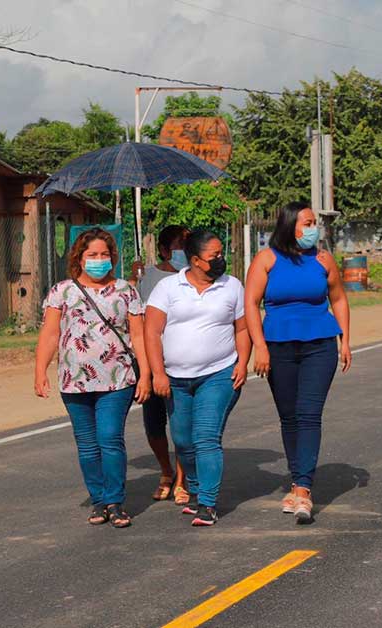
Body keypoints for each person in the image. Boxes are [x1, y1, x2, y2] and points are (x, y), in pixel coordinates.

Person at [34, 228, 151, 529]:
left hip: (117, 379)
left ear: (113, 258)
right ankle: (99, 500)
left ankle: (115, 501)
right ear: (79, 258)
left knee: (110, 437)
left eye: (104, 254)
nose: (99, 260)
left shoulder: (126, 291)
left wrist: (146, 374)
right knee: (87, 444)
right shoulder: (61, 291)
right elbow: (50, 333)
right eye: (92, 255)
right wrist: (40, 371)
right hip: (74, 381)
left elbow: (138, 335)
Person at [245, 201, 352, 525]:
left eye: (314, 223)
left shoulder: (323, 259)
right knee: (289, 417)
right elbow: (251, 303)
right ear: (290, 225)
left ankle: (304, 488)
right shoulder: (266, 259)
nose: (313, 228)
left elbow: (339, 299)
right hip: (278, 346)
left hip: (320, 346)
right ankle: (297, 480)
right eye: (307, 223)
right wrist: (259, 347)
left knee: (308, 414)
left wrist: (346, 340)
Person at [145, 230, 250, 527]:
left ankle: (207, 503)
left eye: (221, 253)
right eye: (213, 255)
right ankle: (193, 486)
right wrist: (158, 373)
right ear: (195, 260)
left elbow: (242, 329)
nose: (220, 259)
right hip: (175, 379)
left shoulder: (232, 286)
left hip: (219, 374)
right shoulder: (168, 287)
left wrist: (243, 362)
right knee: (182, 440)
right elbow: (151, 332)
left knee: (206, 437)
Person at [131, 225, 191, 505]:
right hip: (152, 360)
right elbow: (136, 317)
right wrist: (134, 279)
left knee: (181, 423)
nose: (185, 251)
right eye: (180, 245)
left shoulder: (195, 277)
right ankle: (166, 471)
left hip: (183, 362)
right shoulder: (147, 277)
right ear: (165, 250)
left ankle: (182, 479)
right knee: (154, 422)